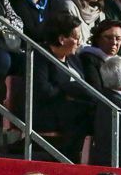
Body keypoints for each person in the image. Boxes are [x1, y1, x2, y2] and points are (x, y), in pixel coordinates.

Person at [32, 13, 95, 162]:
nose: (80, 42)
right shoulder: (41, 57)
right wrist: (67, 90)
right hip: (50, 112)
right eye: (76, 37)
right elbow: (42, 90)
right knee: (89, 114)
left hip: (75, 108)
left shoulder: (74, 59)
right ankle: (71, 158)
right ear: (62, 39)